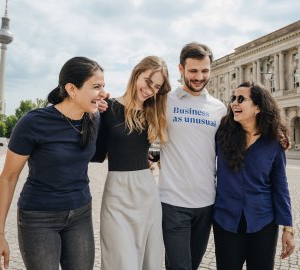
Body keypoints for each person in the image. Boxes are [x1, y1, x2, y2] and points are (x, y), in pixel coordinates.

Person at [0, 56, 107, 270]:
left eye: (103, 86)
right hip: (38, 218)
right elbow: (8, 178)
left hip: (80, 214)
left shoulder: (94, 119)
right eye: (96, 86)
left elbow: (103, 151)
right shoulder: (33, 122)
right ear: (71, 89)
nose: (102, 93)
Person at [92, 55, 171, 270]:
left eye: (156, 87)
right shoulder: (107, 108)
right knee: (119, 261)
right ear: (137, 73)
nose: (150, 90)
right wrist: (91, 115)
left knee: (149, 261)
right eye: (148, 81)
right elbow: (96, 154)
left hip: (146, 193)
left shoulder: (154, 112)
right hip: (117, 194)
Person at [158, 42, 227, 270]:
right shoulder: (165, 101)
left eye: (205, 70)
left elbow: (237, 142)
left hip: (207, 202)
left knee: (193, 265)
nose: (199, 77)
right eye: (193, 71)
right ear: (181, 69)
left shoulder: (219, 108)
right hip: (173, 202)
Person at [213, 82, 295, 270]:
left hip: (263, 223)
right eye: (233, 98)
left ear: (258, 107)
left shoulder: (274, 143)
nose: (234, 103)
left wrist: (288, 229)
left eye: (241, 99)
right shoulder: (221, 134)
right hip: (226, 222)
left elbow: (280, 186)